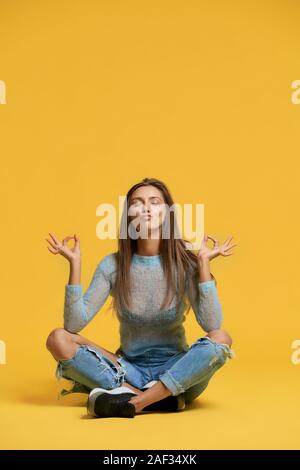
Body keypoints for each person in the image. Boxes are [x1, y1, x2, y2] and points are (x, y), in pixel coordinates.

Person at [45, 177, 237, 418]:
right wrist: (75, 265)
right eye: (138, 203)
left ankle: (133, 402)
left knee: (221, 338)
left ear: (167, 213)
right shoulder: (112, 265)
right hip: (128, 369)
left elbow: (212, 325)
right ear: (129, 216)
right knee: (58, 339)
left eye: (154, 202)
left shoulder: (185, 263)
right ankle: (160, 400)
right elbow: (73, 325)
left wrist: (204, 265)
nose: (146, 208)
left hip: (178, 368)